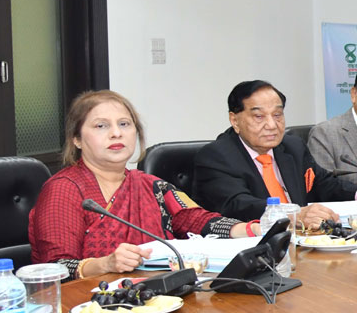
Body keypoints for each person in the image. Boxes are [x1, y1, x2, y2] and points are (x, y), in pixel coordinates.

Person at [28, 90, 256, 280]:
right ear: (76, 139)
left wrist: (251, 230)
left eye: (124, 124)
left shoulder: (150, 185)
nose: (116, 133)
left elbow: (196, 220)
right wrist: (105, 264)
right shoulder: (62, 189)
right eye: (101, 126)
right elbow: (56, 268)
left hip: (154, 296)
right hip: (89, 306)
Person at [194, 80, 357, 230]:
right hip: (256, 248)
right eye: (259, 116)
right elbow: (239, 205)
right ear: (235, 120)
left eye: (277, 115)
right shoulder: (216, 156)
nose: (272, 125)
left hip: (305, 239)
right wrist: (295, 214)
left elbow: (324, 183)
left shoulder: (292, 146)